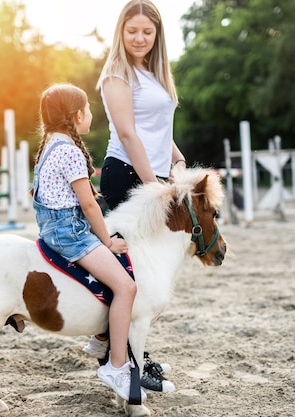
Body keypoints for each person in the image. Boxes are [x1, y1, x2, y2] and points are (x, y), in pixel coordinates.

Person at [81, 0, 184, 393]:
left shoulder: (153, 73)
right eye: (132, 31)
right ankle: (113, 352)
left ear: (157, 35)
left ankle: (121, 348)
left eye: (147, 31)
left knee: (145, 271)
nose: (139, 38)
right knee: (131, 270)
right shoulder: (117, 74)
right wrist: (154, 184)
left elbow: (157, 128)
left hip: (151, 174)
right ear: (120, 33)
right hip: (127, 175)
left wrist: (176, 159)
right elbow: (128, 133)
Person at [32, 83, 145, 402]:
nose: (92, 114)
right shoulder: (68, 151)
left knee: (118, 271)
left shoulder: (49, 146)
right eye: (90, 108)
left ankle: (100, 336)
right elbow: (90, 205)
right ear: (77, 114)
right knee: (127, 287)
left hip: (52, 228)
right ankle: (116, 365)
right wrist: (106, 240)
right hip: (70, 232)